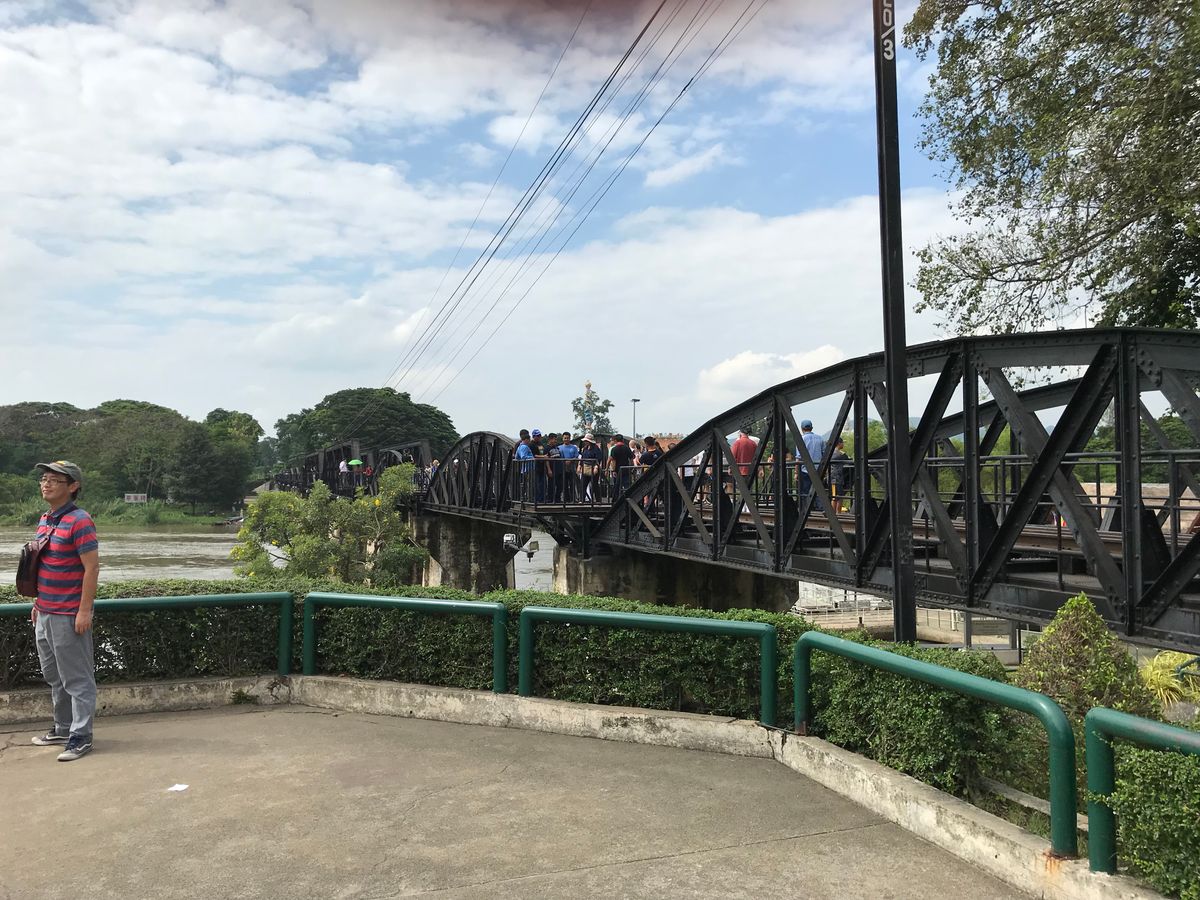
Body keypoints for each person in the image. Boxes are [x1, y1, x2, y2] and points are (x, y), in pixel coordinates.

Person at [29, 460, 99, 762]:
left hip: (68, 614)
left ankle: (81, 736)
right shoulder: (46, 519)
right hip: (45, 611)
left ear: (73, 487)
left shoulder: (80, 521)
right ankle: (63, 727)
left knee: (77, 679)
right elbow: (44, 564)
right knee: (54, 675)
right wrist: (37, 602)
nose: (46, 484)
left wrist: (84, 611)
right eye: (44, 479)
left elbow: (91, 568)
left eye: (54, 480)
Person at [797, 419, 826, 510]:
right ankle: (820, 509)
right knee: (818, 490)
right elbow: (824, 454)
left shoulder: (801, 439)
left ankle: (806, 510)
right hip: (818, 469)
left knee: (805, 491)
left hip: (805, 469)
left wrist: (796, 472)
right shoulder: (820, 438)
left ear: (802, 429)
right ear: (812, 428)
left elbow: (799, 457)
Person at [829, 438, 852, 513]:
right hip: (835, 478)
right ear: (839, 443)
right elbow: (849, 461)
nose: (843, 444)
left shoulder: (831, 452)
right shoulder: (840, 454)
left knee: (837, 497)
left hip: (835, 477)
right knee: (836, 497)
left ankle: (836, 513)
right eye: (842, 443)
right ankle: (835, 513)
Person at [579, 434, 603, 502]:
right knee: (583, 485)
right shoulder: (585, 448)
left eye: (586, 441)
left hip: (593, 467)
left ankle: (598, 500)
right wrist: (580, 466)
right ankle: (582, 500)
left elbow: (598, 458)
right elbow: (582, 458)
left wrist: (596, 467)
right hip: (585, 468)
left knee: (595, 485)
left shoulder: (596, 448)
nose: (585, 442)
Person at [558, 432, 580, 502]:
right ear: (562, 438)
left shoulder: (574, 447)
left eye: (567, 438)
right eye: (565, 438)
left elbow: (576, 456)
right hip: (562, 468)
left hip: (572, 468)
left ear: (570, 438)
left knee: (572, 484)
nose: (566, 439)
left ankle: (573, 499)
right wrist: (564, 461)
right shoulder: (559, 447)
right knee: (564, 484)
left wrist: (571, 460)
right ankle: (566, 499)